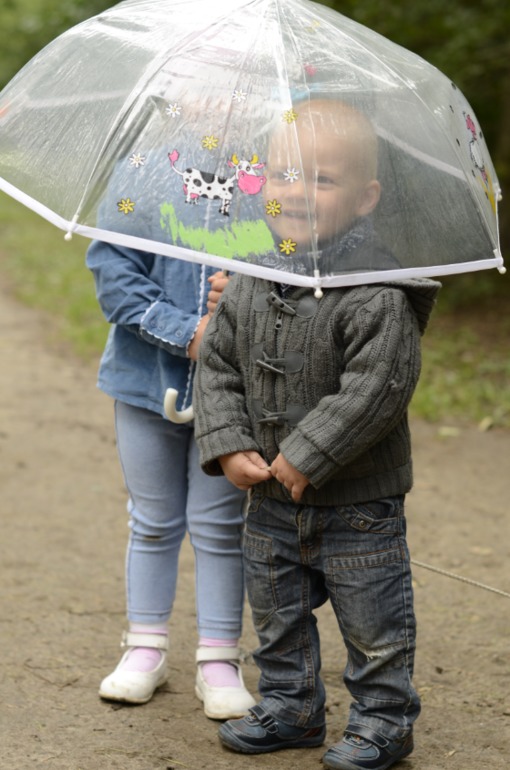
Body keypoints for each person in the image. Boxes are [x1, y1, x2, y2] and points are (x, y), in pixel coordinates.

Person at [193, 98, 441, 769]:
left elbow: (377, 387)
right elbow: (217, 364)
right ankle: (290, 706)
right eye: (282, 175)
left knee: (375, 623)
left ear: (365, 198)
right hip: (271, 500)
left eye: (322, 180)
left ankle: (385, 719)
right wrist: (227, 441)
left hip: (358, 508)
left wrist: (308, 451)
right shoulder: (250, 274)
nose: (296, 193)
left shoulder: (378, 293)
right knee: (276, 617)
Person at [86, 237, 256, 720]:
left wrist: (243, 295)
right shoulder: (141, 183)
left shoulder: (270, 190)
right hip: (143, 383)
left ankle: (219, 656)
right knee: (153, 519)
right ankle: (145, 646)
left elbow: (296, 273)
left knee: (220, 525)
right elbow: (114, 274)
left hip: (233, 394)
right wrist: (186, 332)